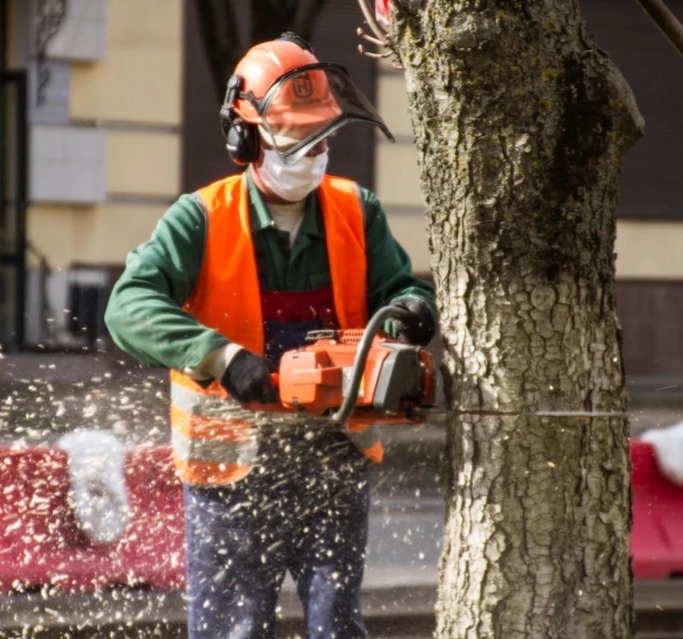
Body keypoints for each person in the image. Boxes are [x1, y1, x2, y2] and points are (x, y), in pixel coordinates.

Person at [104, 32, 437, 639]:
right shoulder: (199, 217)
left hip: (334, 460)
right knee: (234, 630)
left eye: (321, 134)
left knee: (336, 627)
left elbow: (397, 288)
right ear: (246, 136)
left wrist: (413, 308)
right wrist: (220, 356)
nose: (313, 150)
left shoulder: (357, 210)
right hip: (232, 473)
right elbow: (128, 306)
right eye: (294, 136)